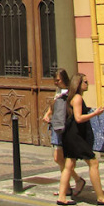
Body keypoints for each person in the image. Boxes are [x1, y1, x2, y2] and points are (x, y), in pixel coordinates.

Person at [57, 72, 104, 206]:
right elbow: (78, 118)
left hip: (70, 134)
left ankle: (62, 196)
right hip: (75, 136)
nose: (87, 84)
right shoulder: (77, 98)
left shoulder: (71, 97)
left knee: (69, 165)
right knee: (93, 163)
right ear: (78, 84)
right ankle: (101, 197)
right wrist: (95, 113)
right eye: (84, 81)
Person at [42, 68, 85, 198]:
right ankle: (71, 184)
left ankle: (70, 185)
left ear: (64, 79)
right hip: (56, 126)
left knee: (62, 159)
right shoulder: (59, 91)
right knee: (59, 159)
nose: (56, 82)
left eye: (58, 80)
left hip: (63, 127)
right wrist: (48, 114)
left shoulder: (69, 92)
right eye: (55, 80)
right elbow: (55, 105)